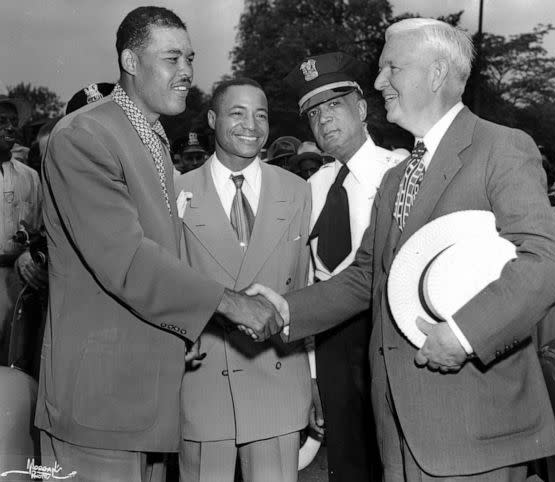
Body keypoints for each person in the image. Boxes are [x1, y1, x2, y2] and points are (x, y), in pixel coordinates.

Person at [249, 18, 555, 481]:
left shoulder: (500, 148)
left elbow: (551, 259)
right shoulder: (397, 178)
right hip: (398, 432)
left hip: (472, 427)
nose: (379, 82)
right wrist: (283, 309)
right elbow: (367, 276)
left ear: (437, 73)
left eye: (391, 69)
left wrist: (464, 335)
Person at [37, 7, 282, 481]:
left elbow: (163, 252)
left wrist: (179, 333)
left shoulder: (149, 135)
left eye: (190, 58)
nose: (187, 71)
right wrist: (229, 304)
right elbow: (126, 259)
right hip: (99, 405)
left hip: (147, 399)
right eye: (171, 59)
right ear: (130, 61)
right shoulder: (85, 134)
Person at [176, 77, 312, 482]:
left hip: (277, 377)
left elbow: (305, 287)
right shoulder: (176, 191)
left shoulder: (298, 190)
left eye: (261, 115)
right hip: (203, 380)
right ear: (213, 119)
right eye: (237, 113)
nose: (251, 124)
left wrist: (315, 376)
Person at [284, 51, 403, 482]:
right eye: (313, 113)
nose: (324, 120)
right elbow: (308, 280)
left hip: (389, 333)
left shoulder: (402, 172)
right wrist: (314, 374)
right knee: (348, 465)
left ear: (362, 108)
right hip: (332, 343)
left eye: (334, 105)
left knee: (395, 460)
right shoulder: (312, 188)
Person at [0, 88, 41, 366]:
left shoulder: (30, 176)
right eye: (2, 120)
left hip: (18, 278)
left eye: (14, 121)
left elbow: (38, 228)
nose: (11, 127)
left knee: (14, 356)